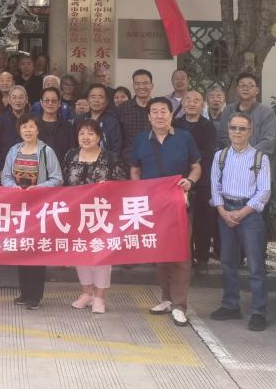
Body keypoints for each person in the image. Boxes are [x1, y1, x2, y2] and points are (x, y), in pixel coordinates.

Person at [130, 96, 201, 326]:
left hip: (179, 205)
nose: (159, 115)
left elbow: (196, 166)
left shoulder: (184, 137)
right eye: (155, 111)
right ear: (149, 116)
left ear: (171, 115)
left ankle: (180, 305)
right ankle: (166, 299)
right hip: (153, 208)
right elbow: (135, 169)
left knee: (180, 255)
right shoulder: (141, 140)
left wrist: (190, 181)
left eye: (163, 111)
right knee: (160, 254)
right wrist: (139, 191)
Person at [209, 112, 272, 331]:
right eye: (233, 128)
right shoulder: (220, 156)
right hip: (225, 212)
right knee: (228, 262)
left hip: (250, 214)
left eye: (242, 128)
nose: (237, 132)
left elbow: (264, 191)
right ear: (228, 130)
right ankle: (230, 305)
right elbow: (215, 186)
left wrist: (242, 213)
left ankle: (259, 312)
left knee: (255, 265)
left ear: (250, 131)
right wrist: (223, 211)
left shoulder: (260, 158)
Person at [63, 119, 126, 313]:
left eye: (90, 133)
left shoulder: (110, 157)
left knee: (101, 255)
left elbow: (122, 184)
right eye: (82, 133)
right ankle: (86, 293)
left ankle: (99, 297)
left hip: (103, 214)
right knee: (81, 252)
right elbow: (63, 183)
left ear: (99, 137)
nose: (86, 137)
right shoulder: (70, 155)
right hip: (77, 214)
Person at [1, 113, 63, 309]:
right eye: (24, 127)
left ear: (38, 130)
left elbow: (57, 179)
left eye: (31, 126)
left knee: (36, 250)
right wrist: (14, 188)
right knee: (22, 249)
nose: (27, 130)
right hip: (19, 207)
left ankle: (35, 296)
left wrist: (38, 188)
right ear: (19, 130)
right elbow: (5, 176)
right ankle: (25, 292)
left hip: (39, 207)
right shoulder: (14, 150)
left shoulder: (46, 151)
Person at [173, 90, 219, 276]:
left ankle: (202, 259)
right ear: (182, 104)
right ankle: (185, 256)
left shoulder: (208, 126)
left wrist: (191, 161)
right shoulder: (175, 124)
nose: (192, 103)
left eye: (196, 100)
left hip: (202, 179)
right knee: (181, 222)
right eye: (188, 100)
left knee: (202, 221)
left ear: (203, 105)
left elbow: (209, 151)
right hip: (178, 180)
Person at [218, 74, 276, 155]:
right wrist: (235, 153)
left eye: (250, 85)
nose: (246, 88)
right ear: (237, 89)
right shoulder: (228, 110)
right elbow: (223, 136)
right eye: (242, 85)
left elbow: (268, 141)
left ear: (257, 90)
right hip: (232, 157)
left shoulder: (267, 113)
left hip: (258, 159)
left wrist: (246, 155)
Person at [0, 85, 29, 184]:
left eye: (21, 97)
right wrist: (1, 169)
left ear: (26, 99)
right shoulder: (1, 119)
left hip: (31, 170)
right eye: (14, 98)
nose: (17, 101)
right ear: (9, 100)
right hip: (6, 170)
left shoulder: (33, 119)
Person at [117, 69, 153, 163]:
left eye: (145, 83)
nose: (141, 87)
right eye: (137, 84)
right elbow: (117, 138)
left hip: (154, 159)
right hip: (128, 160)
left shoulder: (158, 108)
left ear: (152, 85)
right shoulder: (122, 108)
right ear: (133, 86)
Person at [37, 86, 74, 164]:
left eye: (53, 101)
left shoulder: (67, 126)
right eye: (47, 100)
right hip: (37, 168)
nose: (50, 103)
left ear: (59, 103)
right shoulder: (33, 125)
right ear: (41, 103)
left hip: (61, 169)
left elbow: (71, 152)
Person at [86, 84, 123, 159]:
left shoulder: (112, 121)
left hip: (106, 162)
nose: (96, 100)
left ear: (106, 101)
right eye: (93, 97)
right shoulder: (81, 120)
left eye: (100, 97)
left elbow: (116, 148)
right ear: (88, 99)